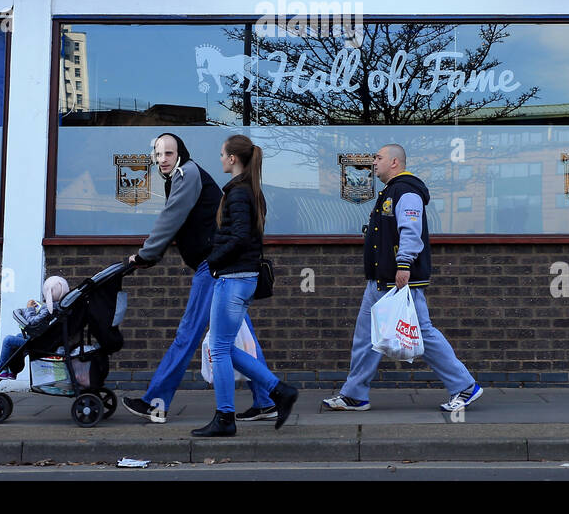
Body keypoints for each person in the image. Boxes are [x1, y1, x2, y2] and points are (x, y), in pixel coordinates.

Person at [122, 132, 278, 423]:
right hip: (222, 267)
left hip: (214, 267)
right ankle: (268, 400)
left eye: (168, 153)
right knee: (242, 337)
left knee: (188, 333)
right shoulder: (182, 175)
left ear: (180, 152)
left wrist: (146, 255)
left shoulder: (187, 173)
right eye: (158, 154)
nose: (162, 159)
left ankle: (156, 402)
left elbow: (171, 217)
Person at [322, 143, 483, 414]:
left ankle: (465, 386)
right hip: (379, 280)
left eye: (378, 158)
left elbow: (411, 230)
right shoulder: (389, 192)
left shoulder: (406, 192)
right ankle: (354, 395)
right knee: (365, 337)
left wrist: (404, 264)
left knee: (424, 334)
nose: (373, 163)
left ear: (394, 162)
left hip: (399, 280)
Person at [192, 135, 298, 437]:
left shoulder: (239, 194)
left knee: (219, 349)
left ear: (234, 159)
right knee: (222, 345)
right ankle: (280, 391)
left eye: (223, 154)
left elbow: (239, 236)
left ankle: (225, 418)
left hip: (233, 278)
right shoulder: (248, 191)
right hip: (242, 278)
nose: (221, 159)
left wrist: (213, 260)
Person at [0, 275, 69, 379]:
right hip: (46, 340)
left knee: (8, 340)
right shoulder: (60, 308)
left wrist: (30, 309)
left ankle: (2, 369)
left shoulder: (48, 309)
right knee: (19, 336)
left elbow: (31, 322)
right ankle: (11, 369)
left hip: (39, 343)